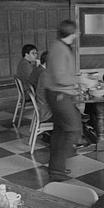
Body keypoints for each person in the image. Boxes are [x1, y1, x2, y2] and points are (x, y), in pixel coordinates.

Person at [45, 20, 83, 180]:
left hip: (56, 94)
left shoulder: (59, 46)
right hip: (59, 95)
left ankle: (56, 169)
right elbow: (60, 77)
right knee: (73, 130)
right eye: (76, 31)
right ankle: (57, 171)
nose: (78, 34)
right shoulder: (60, 49)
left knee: (60, 132)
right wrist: (78, 81)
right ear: (71, 33)